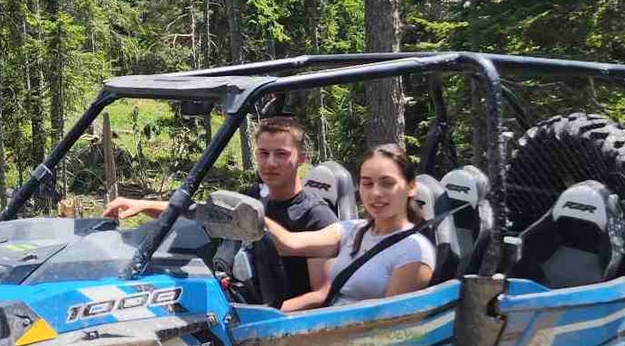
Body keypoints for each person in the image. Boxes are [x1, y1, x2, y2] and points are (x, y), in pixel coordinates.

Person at [102, 115, 337, 309]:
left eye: (281, 154)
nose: (270, 163)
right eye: (263, 153)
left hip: (276, 325)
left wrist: (268, 314)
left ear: (302, 159)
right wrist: (142, 205)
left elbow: (321, 295)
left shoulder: (315, 216)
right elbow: (201, 213)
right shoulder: (253, 197)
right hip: (233, 301)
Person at [264, 143, 435, 311]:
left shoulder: (414, 250)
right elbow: (287, 243)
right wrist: (249, 213)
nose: (375, 193)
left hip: (357, 335)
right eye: (367, 184)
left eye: (387, 183)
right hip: (325, 326)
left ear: (411, 187)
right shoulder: (351, 230)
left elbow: (390, 323)